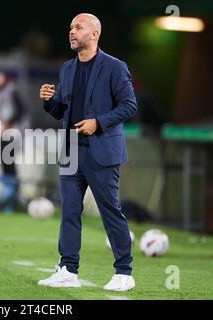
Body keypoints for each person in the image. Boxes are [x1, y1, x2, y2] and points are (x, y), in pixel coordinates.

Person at [38, 13, 138, 291]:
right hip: (71, 150)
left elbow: (130, 105)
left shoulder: (114, 67)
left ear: (94, 34)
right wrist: (49, 102)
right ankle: (68, 268)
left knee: (109, 210)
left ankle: (124, 272)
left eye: (78, 27)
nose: (71, 31)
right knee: (69, 210)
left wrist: (99, 123)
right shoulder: (67, 68)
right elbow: (62, 111)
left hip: (102, 151)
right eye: (70, 27)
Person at [0, 68, 29, 212]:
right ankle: (10, 198)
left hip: (13, 132)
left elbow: (21, 110)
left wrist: (8, 123)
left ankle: (11, 200)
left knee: (9, 165)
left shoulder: (11, 90)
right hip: (1, 133)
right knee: (6, 166)